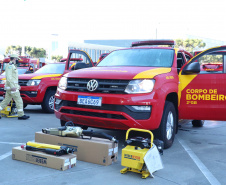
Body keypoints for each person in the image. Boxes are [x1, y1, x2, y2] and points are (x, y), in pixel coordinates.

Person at [0, 54, 29, 120]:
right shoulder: (10, 66)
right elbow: (9, 77)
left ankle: (21, 115)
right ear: (14, 59)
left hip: (11, 87)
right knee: (19, 100)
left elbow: (13, 78)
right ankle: (21, 115)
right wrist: (13, 86)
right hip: (12, 88)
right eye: (17, 59)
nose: (18, 61)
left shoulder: (12, 66)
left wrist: (17, 86)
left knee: (6, 101)